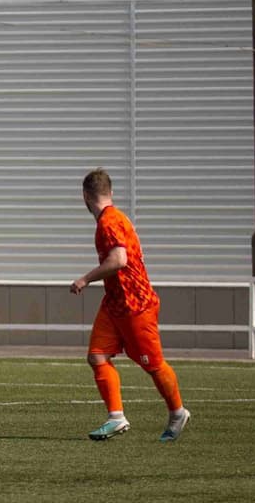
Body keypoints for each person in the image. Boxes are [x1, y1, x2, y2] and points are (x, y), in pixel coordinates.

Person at [72, 168, 189, 442]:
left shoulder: (109, 222)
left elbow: (119, 260)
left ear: (85, 196)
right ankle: (116, 417)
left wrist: (85, 279)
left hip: (136, 304)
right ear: (110, 192)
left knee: (153, 364)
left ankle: (177, 412)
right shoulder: (113, 218)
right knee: (97, 356)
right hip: (115, 303)